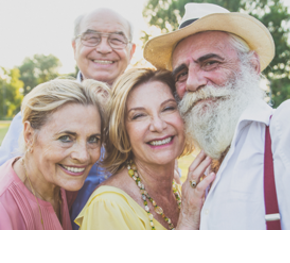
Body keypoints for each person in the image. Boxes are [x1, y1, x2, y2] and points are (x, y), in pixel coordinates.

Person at [144, 2, 290, 230]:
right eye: (181, 73)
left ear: (253, 66)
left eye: (209, 63)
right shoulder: (202, 170)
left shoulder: (287, 128)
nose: (193, 83)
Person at [0, 8, 136, 228]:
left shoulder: (145, 116)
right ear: (74, 47)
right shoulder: (39, 112)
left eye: (116, 39)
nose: (103, 48)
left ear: (131, 50)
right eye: (92, 38)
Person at [75, 68, 215, 230]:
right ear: (122, 130)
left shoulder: (179, 192)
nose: (158, 125)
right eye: (139, 115)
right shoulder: (108, 206)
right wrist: (187, 221)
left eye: (168, 108)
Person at [0, 78, 109, 229]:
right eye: (65, 138)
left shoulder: (62, 184)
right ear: (29, 135)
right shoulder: (4, 208)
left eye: (93, 139)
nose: (83, 155)